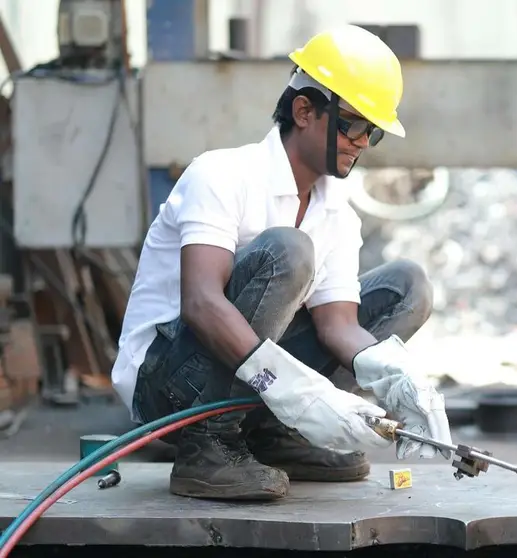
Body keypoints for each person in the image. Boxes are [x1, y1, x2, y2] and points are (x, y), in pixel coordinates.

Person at [110, 25, 452, 501]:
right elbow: (202, 303)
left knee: (406, 286)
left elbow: (339, 328)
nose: (363, 142)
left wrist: (399, 375)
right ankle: (207, 447)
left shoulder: (336, 212)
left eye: (372, 131)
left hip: (248, 380)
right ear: (304, 110)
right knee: (288, 253)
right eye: (354, 124)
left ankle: (275, 436)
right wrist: (295, 390)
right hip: (167, 385)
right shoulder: (223, 175)